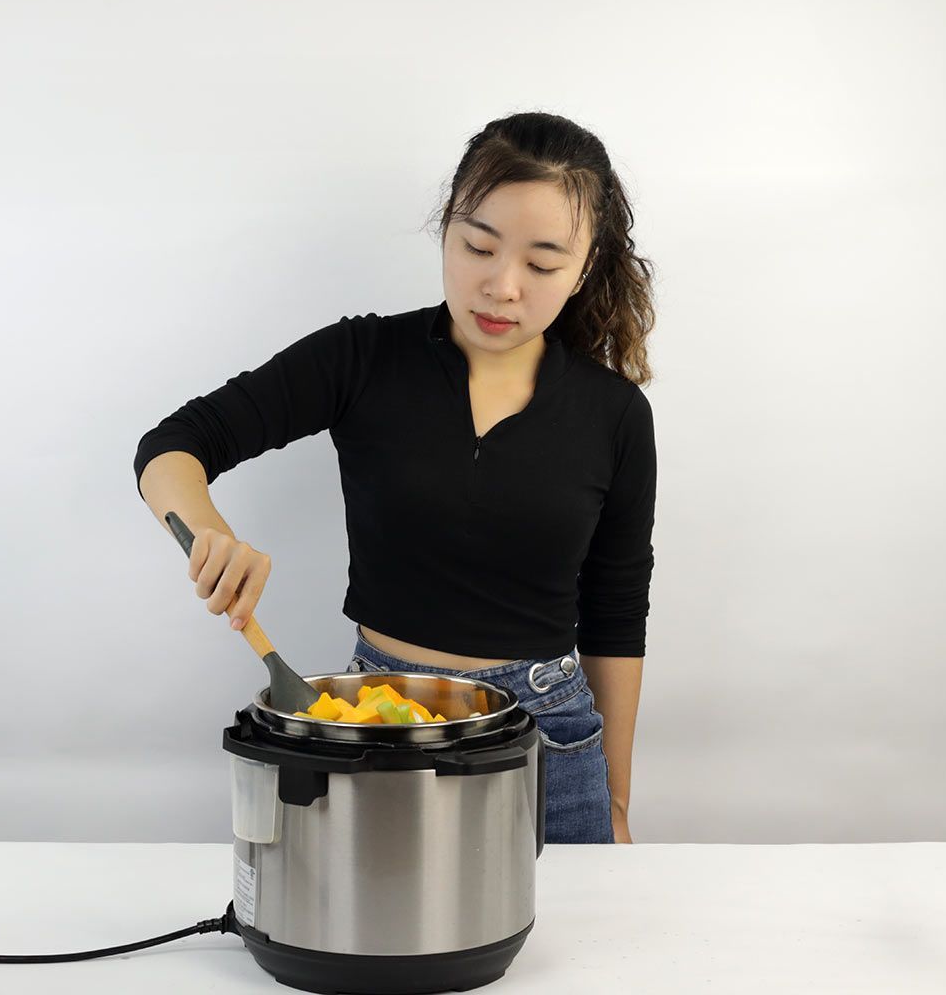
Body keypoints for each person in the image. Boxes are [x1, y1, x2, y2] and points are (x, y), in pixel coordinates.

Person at [134, 112, 657, 844]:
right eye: (478, 245)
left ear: (585, 264)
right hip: (379, 723)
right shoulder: (363, 358)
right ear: (446, 227)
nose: (503, 286)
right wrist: (210, 534)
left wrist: (619, 803)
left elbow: (616, 614)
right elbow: (173, 445)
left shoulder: (615, 413)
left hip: (552, 741)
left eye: (542, 265)